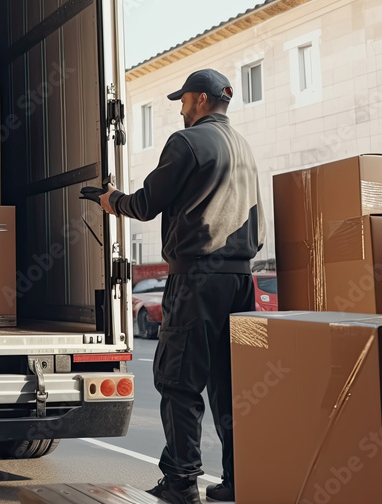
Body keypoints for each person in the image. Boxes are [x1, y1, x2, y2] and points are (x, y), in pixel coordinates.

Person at [99, 69, 264, 504]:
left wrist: (111, 200)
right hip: (240, 280)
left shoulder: (187, 142)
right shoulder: (244, 147)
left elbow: (147, 204)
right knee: (228, 384)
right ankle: (236, 480)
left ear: (203, 100)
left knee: (178, 380)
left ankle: (182, 481)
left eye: (185, 99)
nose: (180, 107)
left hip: (196, 278)